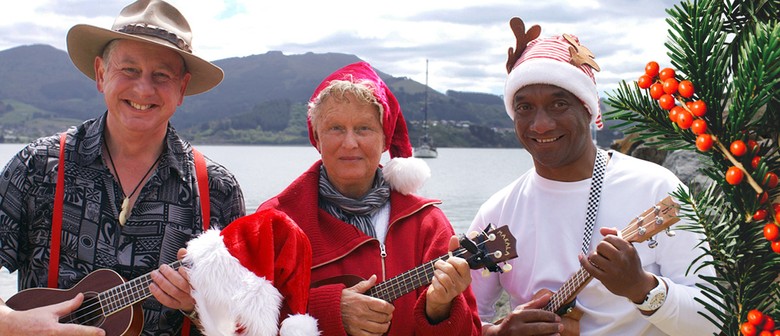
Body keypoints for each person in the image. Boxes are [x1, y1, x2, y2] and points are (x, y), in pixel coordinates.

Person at [0, 1, 245, 335]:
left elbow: (242, 320)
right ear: (101, 74)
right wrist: (13, 324)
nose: (143, 89)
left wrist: (197, 306)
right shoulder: (38, 167)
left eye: (161, 75)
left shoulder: (217, 190)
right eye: (129, 69)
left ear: (182, 88)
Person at [469, 17, 720, 336]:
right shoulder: (497, 213)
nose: (541, 124)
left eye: (559, 104)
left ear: (588, 109)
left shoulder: (657, 188)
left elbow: (712, 321)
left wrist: (642, 288)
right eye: (524, 107)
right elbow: (468, 317)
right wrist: (497, 333)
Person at [258, 61, 482, 336]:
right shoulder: (275, 221)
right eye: (335, 128)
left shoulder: (427, 224)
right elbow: (240, 321)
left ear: (385, 138)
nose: (350, 143)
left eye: (364, 128)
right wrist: (328, 312)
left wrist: (440, 309)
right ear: (316, 136)